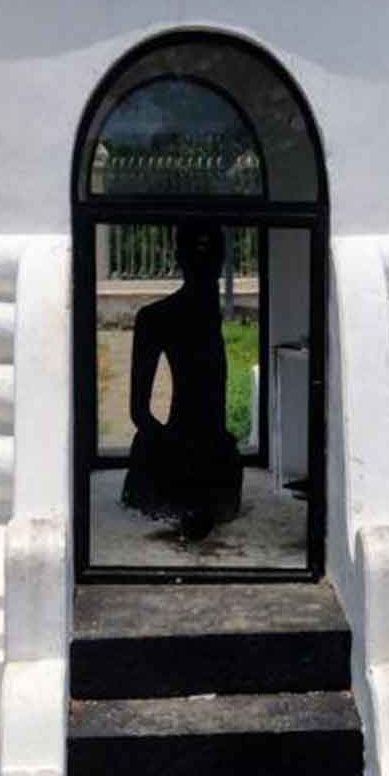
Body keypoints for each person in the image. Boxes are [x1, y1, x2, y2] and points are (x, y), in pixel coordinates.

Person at [123, 223, 242, 540]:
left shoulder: (206, 313)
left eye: (212, 255)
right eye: (198, 254)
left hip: (209, 444)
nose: (207, 264)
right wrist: (171, 445)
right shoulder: (156, 318)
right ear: (181, 258)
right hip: (182, 442)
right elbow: (139, 412)